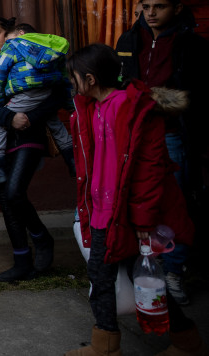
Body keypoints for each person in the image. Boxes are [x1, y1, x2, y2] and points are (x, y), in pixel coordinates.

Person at [66, 43, 205, 356]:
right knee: (124, 276)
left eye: (73, 76)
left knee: (116, 278)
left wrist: (143, 220)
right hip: (103, 211)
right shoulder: (89, 108)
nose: (70, 82)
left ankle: (109, 347)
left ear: (89, 79)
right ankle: (186, 341)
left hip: (126, 214)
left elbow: (149, 170)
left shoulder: (133, 110)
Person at [115, 0, 209, 305]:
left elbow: (194, 97)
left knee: (176, 204)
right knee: (135, 200)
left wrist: (151, 101)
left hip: (172, 135)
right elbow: (119, 86)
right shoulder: (128, 39)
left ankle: (173, 270)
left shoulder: (191, 45)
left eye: (160, 7)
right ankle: (144, 268)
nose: (151, 13)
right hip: (133, 135)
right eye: (147, 7)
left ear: (177, 8)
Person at [0, 17, 66, 281]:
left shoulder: (37, 58)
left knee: (15, 192)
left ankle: (42, 238)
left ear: (11, 34)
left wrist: (29, 118)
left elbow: (57, 96)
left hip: (28, 135)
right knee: (6, 199)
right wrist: (8, 118)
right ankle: (22, 261)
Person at [0, 22, 75, 186]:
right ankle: (73, 160)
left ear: (20, 33)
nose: (6, 42)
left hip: (24, 94)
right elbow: (64, 76)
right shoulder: (50, 48)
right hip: (47, 93)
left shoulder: (13, 46)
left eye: (7, 37)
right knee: (55, 123)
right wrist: (69, 103)